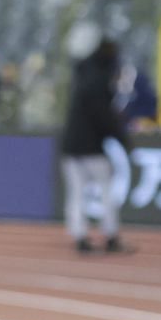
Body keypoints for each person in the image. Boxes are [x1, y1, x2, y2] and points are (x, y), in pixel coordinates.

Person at [60, 38, 132, 255]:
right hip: (91, 147)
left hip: (71, 146)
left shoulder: (81, 75)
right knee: (107, 188)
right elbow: (104, 117)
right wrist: (122, 138)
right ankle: (110, 235)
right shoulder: (100, 81)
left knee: (76, 192)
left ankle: (79, 235)